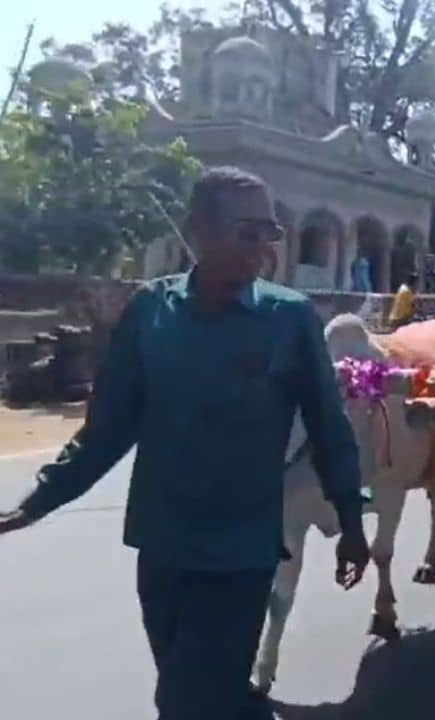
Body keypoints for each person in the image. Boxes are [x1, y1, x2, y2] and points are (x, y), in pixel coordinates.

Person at [0, 167, 371, 720]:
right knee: (192, 688)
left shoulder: (288, 318)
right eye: (248, 231)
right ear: (199, 229)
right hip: (163, 548)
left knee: (184, 702)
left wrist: (351, 522)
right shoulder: (151, 312)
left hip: (241, 555)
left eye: (270, 233)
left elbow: (328, 424)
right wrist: (37, 503)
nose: (264, 249)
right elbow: (108, 429)